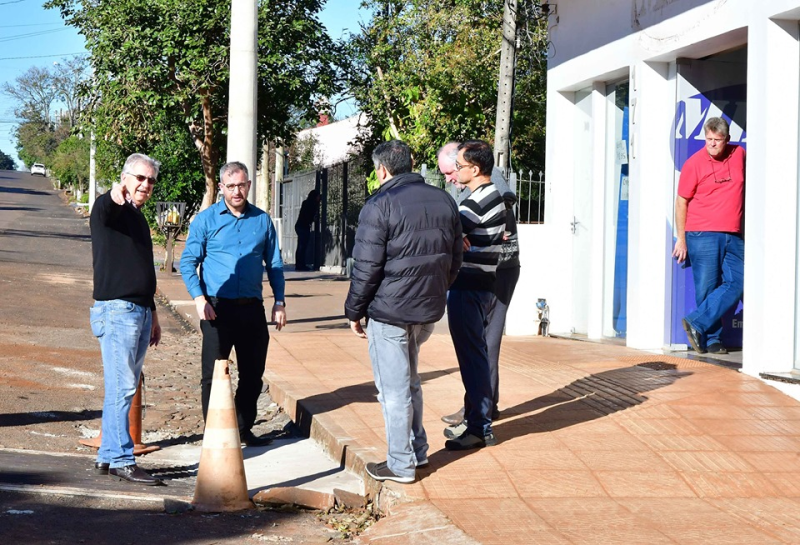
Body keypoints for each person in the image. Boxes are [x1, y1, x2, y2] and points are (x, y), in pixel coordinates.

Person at [345, 140, 463, 483]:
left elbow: (366, 268)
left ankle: (400, 463)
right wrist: (436, 290)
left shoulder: (379, 205)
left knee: (393, 390)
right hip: (427, 310)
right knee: (410, 382)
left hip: (390, 312)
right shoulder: (444, 199)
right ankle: (417, 451)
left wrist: (354, 310)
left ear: (382, 170)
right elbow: (455, 258)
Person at [180, 161, 287, 447]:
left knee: (253, 374)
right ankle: (215, 433)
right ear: (221, 188)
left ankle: (241, 428)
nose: (236, 191)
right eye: (230, 186)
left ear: (248, 185)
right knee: (214, 374)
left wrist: (279, 301)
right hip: (217, 308)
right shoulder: (206, 221)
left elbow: (274, 264)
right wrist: (199, 298)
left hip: (252, 308)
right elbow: (188, 262)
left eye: (241, 185)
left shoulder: (262, 221)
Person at [437, 142, 521, 430]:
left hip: (473, 282)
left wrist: (454, 237)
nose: (453, 175)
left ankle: (478, 421)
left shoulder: (480, 199)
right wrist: (457, 236)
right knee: (478, 350)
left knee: (476, 351)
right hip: (481, 280)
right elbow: (452, 230)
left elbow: (443, 232)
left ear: (474, 169)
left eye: (456, 169)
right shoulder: (482, 196)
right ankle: (478, 416)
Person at [90, 153, 162, 485]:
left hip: (139, 311)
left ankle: (107, 455)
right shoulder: (110, 212)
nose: (145, 185)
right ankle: (122, 458)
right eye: (139, 178)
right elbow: (107, 205)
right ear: (125, 178)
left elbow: (143, 267)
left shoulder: (139, 219)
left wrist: (154, 314)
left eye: (150, 180)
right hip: (117, 311)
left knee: (119, 388)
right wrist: (116, 194)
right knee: (123, 388)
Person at [672, 117, 745, 355]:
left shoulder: (740, 155)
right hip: (701, 233)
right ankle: (712, 339)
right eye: (709, 139)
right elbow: (681, 201)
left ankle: (696, 322)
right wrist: (681, 239)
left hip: (733, 233)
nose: (712, 144)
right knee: (707, 287)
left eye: (717, 140)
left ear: (727, 140)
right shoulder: (694, 163)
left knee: (739, 281)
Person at [294, 189, 320, 271]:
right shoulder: (310, 204)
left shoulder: (307, 203)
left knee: (301, 246)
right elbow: (308, 216)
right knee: (302, 246)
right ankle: (300, 265)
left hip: (301, 226)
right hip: (303, 226)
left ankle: (299, 264)